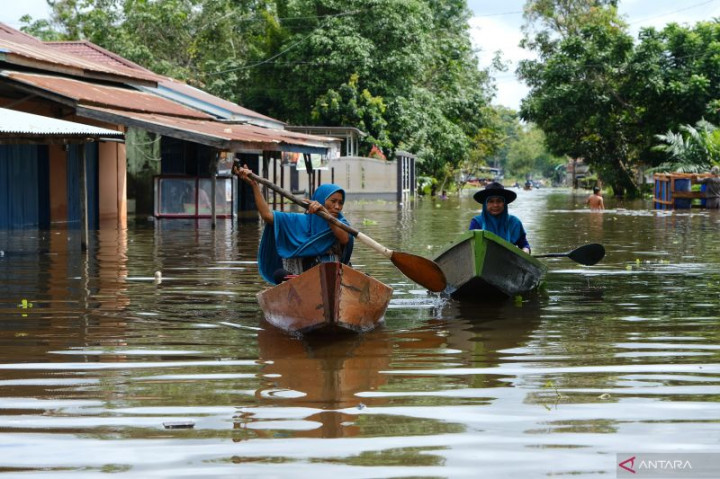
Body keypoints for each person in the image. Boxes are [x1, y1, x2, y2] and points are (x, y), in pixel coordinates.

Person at [234, 164, 354, 284]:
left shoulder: (341, 223)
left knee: (360, 276)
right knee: (279, 275)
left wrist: (326, 213)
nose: (337, 207)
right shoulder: (300, 220)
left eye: (340, 203)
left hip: (335, 278)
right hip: (305, 280)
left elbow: (344, 238)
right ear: (321, 200)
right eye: (333, 201)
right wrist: (254, 186)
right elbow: (267, 216)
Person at [469, 181, 531, 253]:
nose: (495, 205)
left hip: (508, 260)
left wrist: (525, 251)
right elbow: (470, 247)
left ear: (504, 204)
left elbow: (524, 245)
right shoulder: (477, 222)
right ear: (485, 204)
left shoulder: (515, 222)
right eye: (491, 201)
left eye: (499, 201)